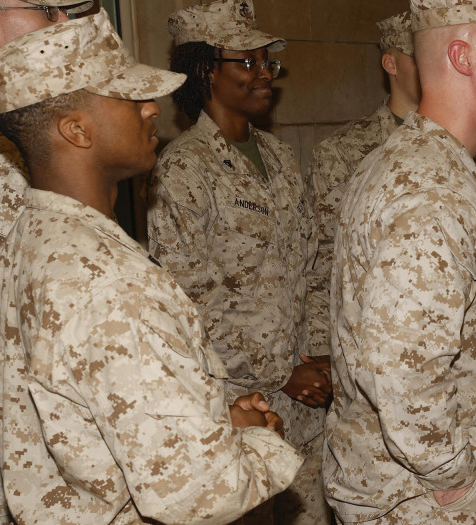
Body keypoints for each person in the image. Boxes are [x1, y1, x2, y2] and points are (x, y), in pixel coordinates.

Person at [0, 14, 302, 523]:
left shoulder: (30, 237)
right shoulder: (110, 284)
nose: (151, 108)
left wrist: (219, 419)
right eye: (130, 99)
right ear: (76, 129)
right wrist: (258, 440)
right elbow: (204, 493)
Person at [322, 0, 476, 522]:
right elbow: (407, 374)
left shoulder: (422, 165)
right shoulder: (429, 193)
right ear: (463, 57)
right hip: (419, 499)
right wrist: (456, 477)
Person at [146, 1, 329, 522]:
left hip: (303, 393)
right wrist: (280, 371)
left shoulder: (278, 156)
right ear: (204, 71)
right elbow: (189, 300)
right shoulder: (182, 169)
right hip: (240, 400)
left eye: (267, 62)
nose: (264, 74)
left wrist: (316, 356)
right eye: (246, 62)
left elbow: (312, 265)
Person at [0, 1, 90, 522]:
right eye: (49, 10)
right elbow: (40, 343)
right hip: (38, 474)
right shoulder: (0, 156)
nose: (66, 24)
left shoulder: (13, 138)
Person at [307, 10, 419, 357]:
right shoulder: (341, 152)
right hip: (371, 342)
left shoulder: (474, 146)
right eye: (419, 56)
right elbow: (323, 254)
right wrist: (321, 348)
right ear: (391, 63)